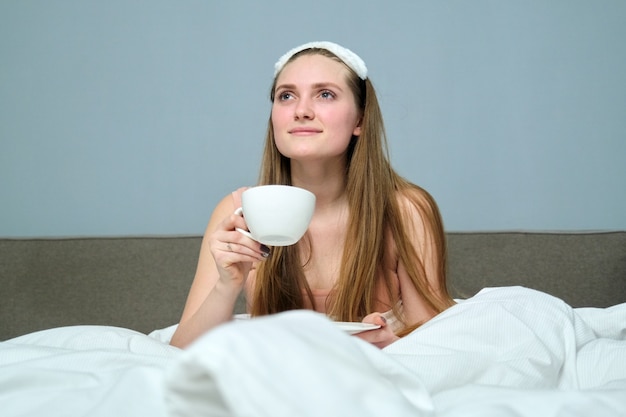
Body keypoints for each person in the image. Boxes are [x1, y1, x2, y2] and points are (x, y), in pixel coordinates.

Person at [170, 41, 455, 349]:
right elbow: (180, 352)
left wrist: (391, 342)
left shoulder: (405, 210)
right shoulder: (237, 211)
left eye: (325, 94)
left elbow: (436, 346)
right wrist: (228, 285)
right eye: (286, 96)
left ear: (359, 120)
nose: (301, 111)